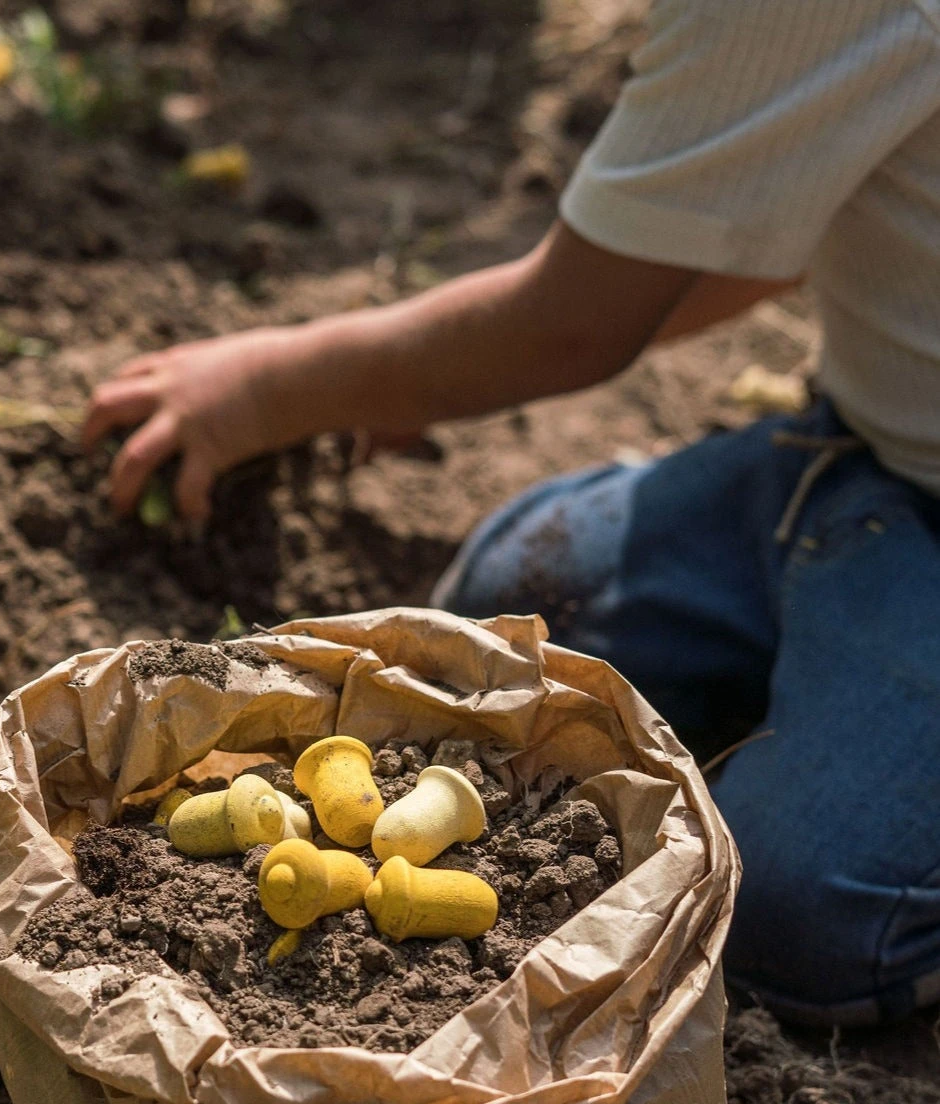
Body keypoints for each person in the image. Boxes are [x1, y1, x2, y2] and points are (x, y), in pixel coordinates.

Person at [82, 1, 940, 1028]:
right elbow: (734, 234)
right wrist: (410, 375)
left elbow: (567, 323)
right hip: (876, 445)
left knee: (796, 916)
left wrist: (275, 388)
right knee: (511, 607)